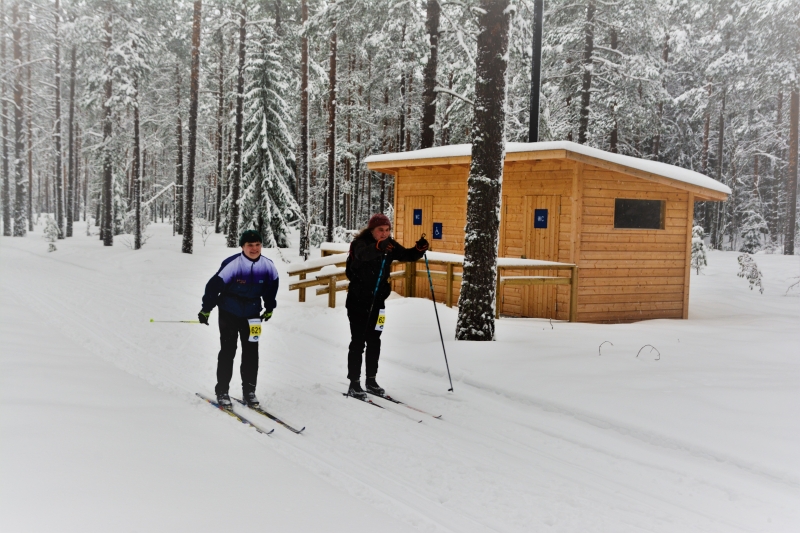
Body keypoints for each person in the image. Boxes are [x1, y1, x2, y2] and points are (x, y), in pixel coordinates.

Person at [344, 213, 429, 400]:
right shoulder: (359, 244)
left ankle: (371, 381)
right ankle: (354, 383)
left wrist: (419, 249)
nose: (384, 233)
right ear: (371, 230)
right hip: (358, 301)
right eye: (380, 230)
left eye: (387, 230)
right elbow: (363, 255)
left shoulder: (389, 244)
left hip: (378, 302)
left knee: (375, 340)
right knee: (358, 341)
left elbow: (407, 255)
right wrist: (378, 247)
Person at [198, 229, 279, 409]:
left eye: (258, 245)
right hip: (229, 311)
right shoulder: (232, 264)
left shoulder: (268, 266)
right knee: (228, 351)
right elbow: (213, 287)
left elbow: (272, 288)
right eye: (250, 245)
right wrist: (206, 309)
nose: (254, 248)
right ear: (242, 246)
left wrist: (270, 307)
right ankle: (222, 390)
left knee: (251, 352)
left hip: (253, 314)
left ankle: (249, 391)